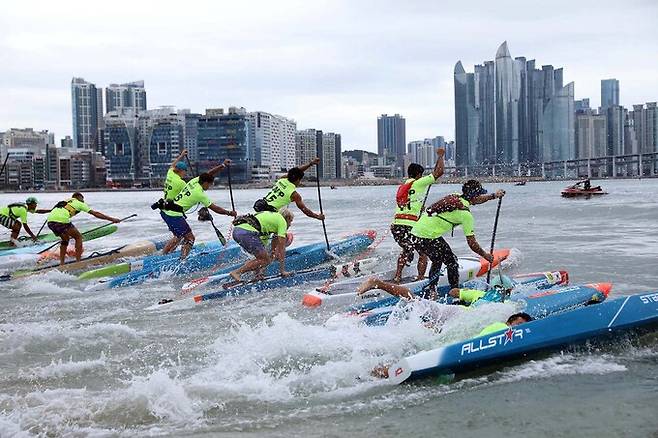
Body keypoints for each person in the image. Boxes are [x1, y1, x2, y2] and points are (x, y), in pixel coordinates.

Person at [410, 179, 505, 296]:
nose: (480, 197)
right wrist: (485, 256)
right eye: (479, 195)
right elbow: (472, 244)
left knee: (441, 259)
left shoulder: (456, 196)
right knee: (449, 261)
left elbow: (476, 200)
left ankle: (433, 289)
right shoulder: (466, 215)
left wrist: (493, 196)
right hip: (427, 235)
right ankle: (452, 292)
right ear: (474, 197)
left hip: (416, 231)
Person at [390, 148, 445, 283]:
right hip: (410, 226)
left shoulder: (403, 186)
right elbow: (439, 172)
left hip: (397, 225)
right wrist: (440, 156)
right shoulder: (418, 182)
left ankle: (398, 276)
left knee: (406, 249)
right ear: (419, 174)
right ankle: (421, 279)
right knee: (423, 252)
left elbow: (409, 204)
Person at [160, 172, 237, 259]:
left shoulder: (194, 181)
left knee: (179, 236)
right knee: (190, 238)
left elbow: (210, 172)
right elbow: (216, 209)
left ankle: (164, 255)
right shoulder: (200, 194)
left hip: (166, 212)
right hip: (174, 215)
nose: (209, 187)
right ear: (205, 183)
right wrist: (229, 213)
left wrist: (222, 166)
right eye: (209, 185)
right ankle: (182, 260)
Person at [46, 193, 121, 265]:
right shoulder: (79, 203)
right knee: (78, 237)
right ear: (79, 197)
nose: (83, 201)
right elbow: (96, 214)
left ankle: (62, 264)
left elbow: (53, 211)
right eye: (83, 199)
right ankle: (78, 262)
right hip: (62, 221)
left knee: (65, 240)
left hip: (50, 222)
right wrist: (112, 219)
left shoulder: (64, 201)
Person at [153, 149, 231, 210]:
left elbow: (173, 165)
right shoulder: (181, 183)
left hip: (164, 205)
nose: (185, 173)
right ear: (181, 170)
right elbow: (205, 177)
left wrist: (182, 155)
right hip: (171, 208)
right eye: (185, 171)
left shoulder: (170, 173)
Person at [229, 209, 294, 281]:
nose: (290, 224)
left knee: (262, 258)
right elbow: (282, 248)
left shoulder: (270, 220)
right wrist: (282, 271)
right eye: (290, 221)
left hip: (237, 232)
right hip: (246, 233)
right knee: (265, 259)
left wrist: (271, 255)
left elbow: (268, 247)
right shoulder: (282, 222)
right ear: (287, 218)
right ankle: (237, 272)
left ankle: (257, 275)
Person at [254, 158, 325, 221]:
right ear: (298, 180)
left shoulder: (281, 179)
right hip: (270, 214)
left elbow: (294, 172)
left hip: (261, 207)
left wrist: (311, 164)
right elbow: (305, 210)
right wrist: (318, 217)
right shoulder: (294, 195)